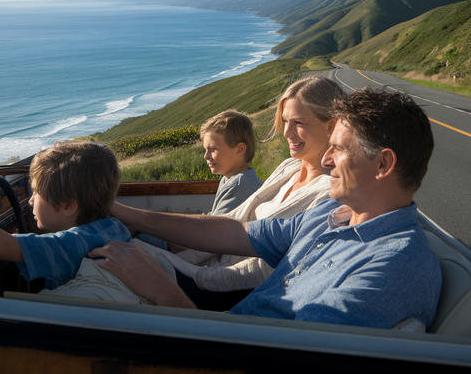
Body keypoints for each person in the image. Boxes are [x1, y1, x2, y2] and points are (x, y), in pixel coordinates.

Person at [91, 88, 442, 330]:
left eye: (339, 149)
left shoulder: (394, 268)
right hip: (225, 327)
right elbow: (236, 231)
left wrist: (164, 294)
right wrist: (126, 213)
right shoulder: (331, 214)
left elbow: (282, 356)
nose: (325, 159)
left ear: (383, 164)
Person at [120, 77, 345, 310]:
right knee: (121, 246)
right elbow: (232, 221)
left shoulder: (330, 193)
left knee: (116, 258)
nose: (287, 132)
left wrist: (189, 275)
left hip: (224, 290)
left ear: (331, 126)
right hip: (208, 271)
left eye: (299, 122)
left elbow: (264, 271)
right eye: (285, 120)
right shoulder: (288, 168)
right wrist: (174, 260)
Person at [0, 141, 136, 292]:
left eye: (36, 193)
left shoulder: (68, 246)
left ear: (68, 207)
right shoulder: (116, 226)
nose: (29, 201)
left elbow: (3, 245)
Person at [137, 109, 263, 252]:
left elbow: (215, 236)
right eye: (205, 150)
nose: (206, 156)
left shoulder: (240, 186)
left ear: (240, 150)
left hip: (209, 253)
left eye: (213, 149)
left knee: (141, 239)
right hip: (208, 243)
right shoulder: (229, 179)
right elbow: (216, 219)